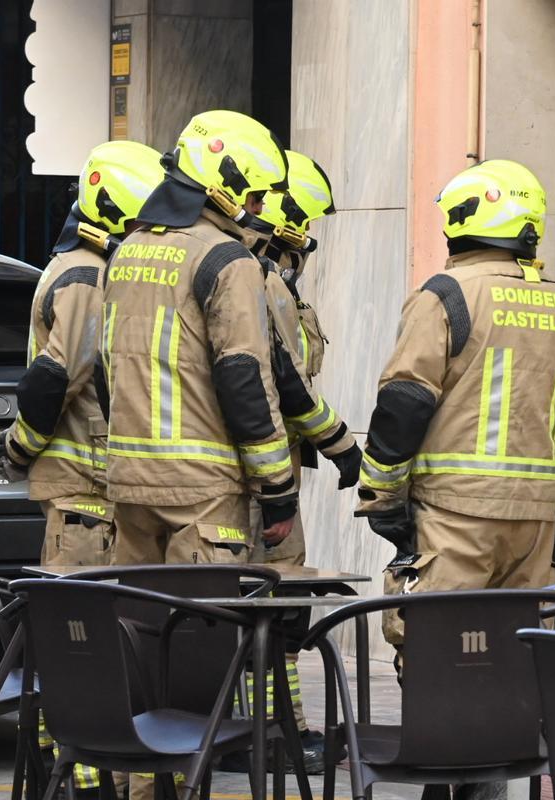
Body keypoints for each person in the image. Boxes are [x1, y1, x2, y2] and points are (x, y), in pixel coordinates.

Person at [355, 159, 555, 663]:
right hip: (533, 520)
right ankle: (510, 742)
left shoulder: (445, 296)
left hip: (454, 514)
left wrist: (381, 495)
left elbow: (405, 402)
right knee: (516, 650)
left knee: (439, 651)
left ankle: (444, 742)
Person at [0, 138, 164, 797]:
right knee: (81, 648)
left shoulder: (87, 269)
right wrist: (21, 446)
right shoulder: (88, 277)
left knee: (80, 645)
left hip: (90, 493)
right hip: (86, 494)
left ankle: (75, 777)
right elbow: (58, 376)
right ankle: (78, 782)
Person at [97, 109, 297, 566]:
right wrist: (278, 488)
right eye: (256, 195)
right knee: (200, 633)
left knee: (137, 627)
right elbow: (243, 376)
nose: (261, 209)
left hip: (129, 483)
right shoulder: (228, 259)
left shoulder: (128, 250)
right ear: (225, 182)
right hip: (202, 491)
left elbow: (101, 369)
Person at [241, 149, 361, 773]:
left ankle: (282, 730)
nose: (310, 241)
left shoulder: (270, 282)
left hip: (273, 469)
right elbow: (285, 384)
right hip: (262, 477)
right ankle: (270, 734)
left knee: (277, 612)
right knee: (271, 612)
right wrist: (341, 442)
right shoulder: (259, 282)